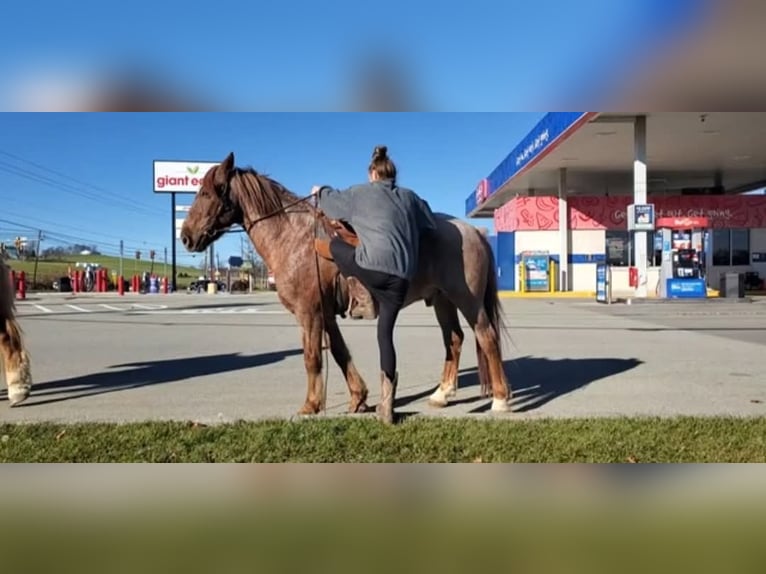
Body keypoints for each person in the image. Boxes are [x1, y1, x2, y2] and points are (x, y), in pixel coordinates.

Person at [312, 145, 437, 424]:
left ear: (372, 174)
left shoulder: (361, 192)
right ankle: (386, 405)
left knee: (333, 246)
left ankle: (361, 296)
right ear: (393, 175)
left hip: (373, 270)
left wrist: (320, 190)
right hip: (403, 279)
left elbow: (332, 203)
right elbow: (430, 222)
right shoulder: (410, 197)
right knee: (385, 337)